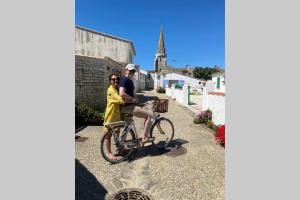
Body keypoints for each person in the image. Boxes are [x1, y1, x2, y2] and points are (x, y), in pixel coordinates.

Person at [119, 64, 154, 146]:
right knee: (149, 115)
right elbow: (121, 93)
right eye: (130, 70)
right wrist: (132, 99)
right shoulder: (124, 80)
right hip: (128, 107)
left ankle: (120, 147)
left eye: (133, 71)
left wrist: (138, 102)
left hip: (127, 107)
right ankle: (145, 137)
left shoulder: (130, 81)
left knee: (127, 127)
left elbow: (134, 94)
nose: (132, 72)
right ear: (126, 70)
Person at [103, 73, 125, 161]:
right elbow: (121, 100)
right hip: (110, 116)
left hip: (116, 115)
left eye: (117, 79)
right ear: (110, 81)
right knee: (108, 135)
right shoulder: (111, 90)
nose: (116, 80)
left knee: (116, 134)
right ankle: (109, 153)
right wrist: (123, 99)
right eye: (113, 79)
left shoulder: (116, 89)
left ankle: (119, 149)